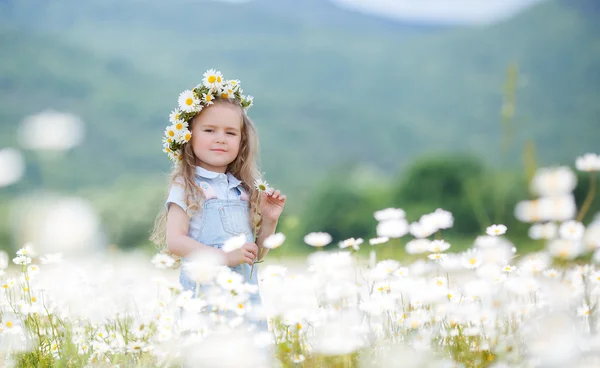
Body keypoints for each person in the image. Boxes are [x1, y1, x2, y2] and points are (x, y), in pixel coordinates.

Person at [150, 69, 286, 309]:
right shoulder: (187, 186)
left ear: (241, 142)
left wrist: (269, 221)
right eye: (209, 130)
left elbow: (255, 256)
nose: (221, 138)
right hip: (205, 299)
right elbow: (176, 241)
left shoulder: (241, 190)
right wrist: (224, 258)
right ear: (188, 137)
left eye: (230, 133)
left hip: (245, 302)